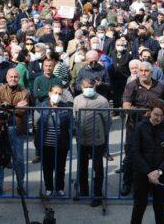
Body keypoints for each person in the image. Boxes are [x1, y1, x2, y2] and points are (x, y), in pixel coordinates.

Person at [121, 61, 164, 196]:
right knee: (130, 156)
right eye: (141, 70)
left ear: (151, 73)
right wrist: (144, 112)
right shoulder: (131, 86)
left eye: (146, 71)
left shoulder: (161, 87)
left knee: (152, 156)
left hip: (155, 127)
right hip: (134, 126)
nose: (143, 73)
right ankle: (127, 183)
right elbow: (126, 106)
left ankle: (151, 183)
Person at [130, 99, 164, 224]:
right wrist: (149, 172)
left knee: (160, 207)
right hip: (142, 173)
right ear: (149, 112)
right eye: (156, 114)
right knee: (139, 206)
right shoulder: (140, 127)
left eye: (162, 116)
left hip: (162, 174)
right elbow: (135, 152)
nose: (158, 118)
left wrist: (159, 171)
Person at [74, 78, 111, 206]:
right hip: (82, 139)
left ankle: (97, 194)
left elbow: (107, 121)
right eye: (85, 86)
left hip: (97, 140)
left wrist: (103, 136)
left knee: (97, 168)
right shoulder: (77, 99)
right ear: (81, 87)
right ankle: (83, 191)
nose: (88, 88)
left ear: (94, 86)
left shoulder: (102, 100)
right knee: (82, 167)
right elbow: (75, 116)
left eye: (90, 85)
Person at [0, 68, 29, 195]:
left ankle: (21, 185)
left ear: (18, 78)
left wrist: (7, 106)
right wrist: (14, 107)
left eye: (15, 77)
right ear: (7, 77)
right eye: (11, 76)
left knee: (19, 159)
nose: (13, 79)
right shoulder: (1, 89)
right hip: (2, 128)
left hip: (17, 129)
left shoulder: (25, 91)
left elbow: (22, 111)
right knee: (0, 158)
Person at [38, 84, 71, 197]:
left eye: (60, 94)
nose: (57, 95)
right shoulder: (42, 106)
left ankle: (60, 188)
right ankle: (49, 188)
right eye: (55, 93)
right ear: (49, 93)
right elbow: (38, 125)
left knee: (60, 168)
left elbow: (70, 125)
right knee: (47, 167)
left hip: (61, 144)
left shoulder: (65, 107)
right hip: (46, 143)